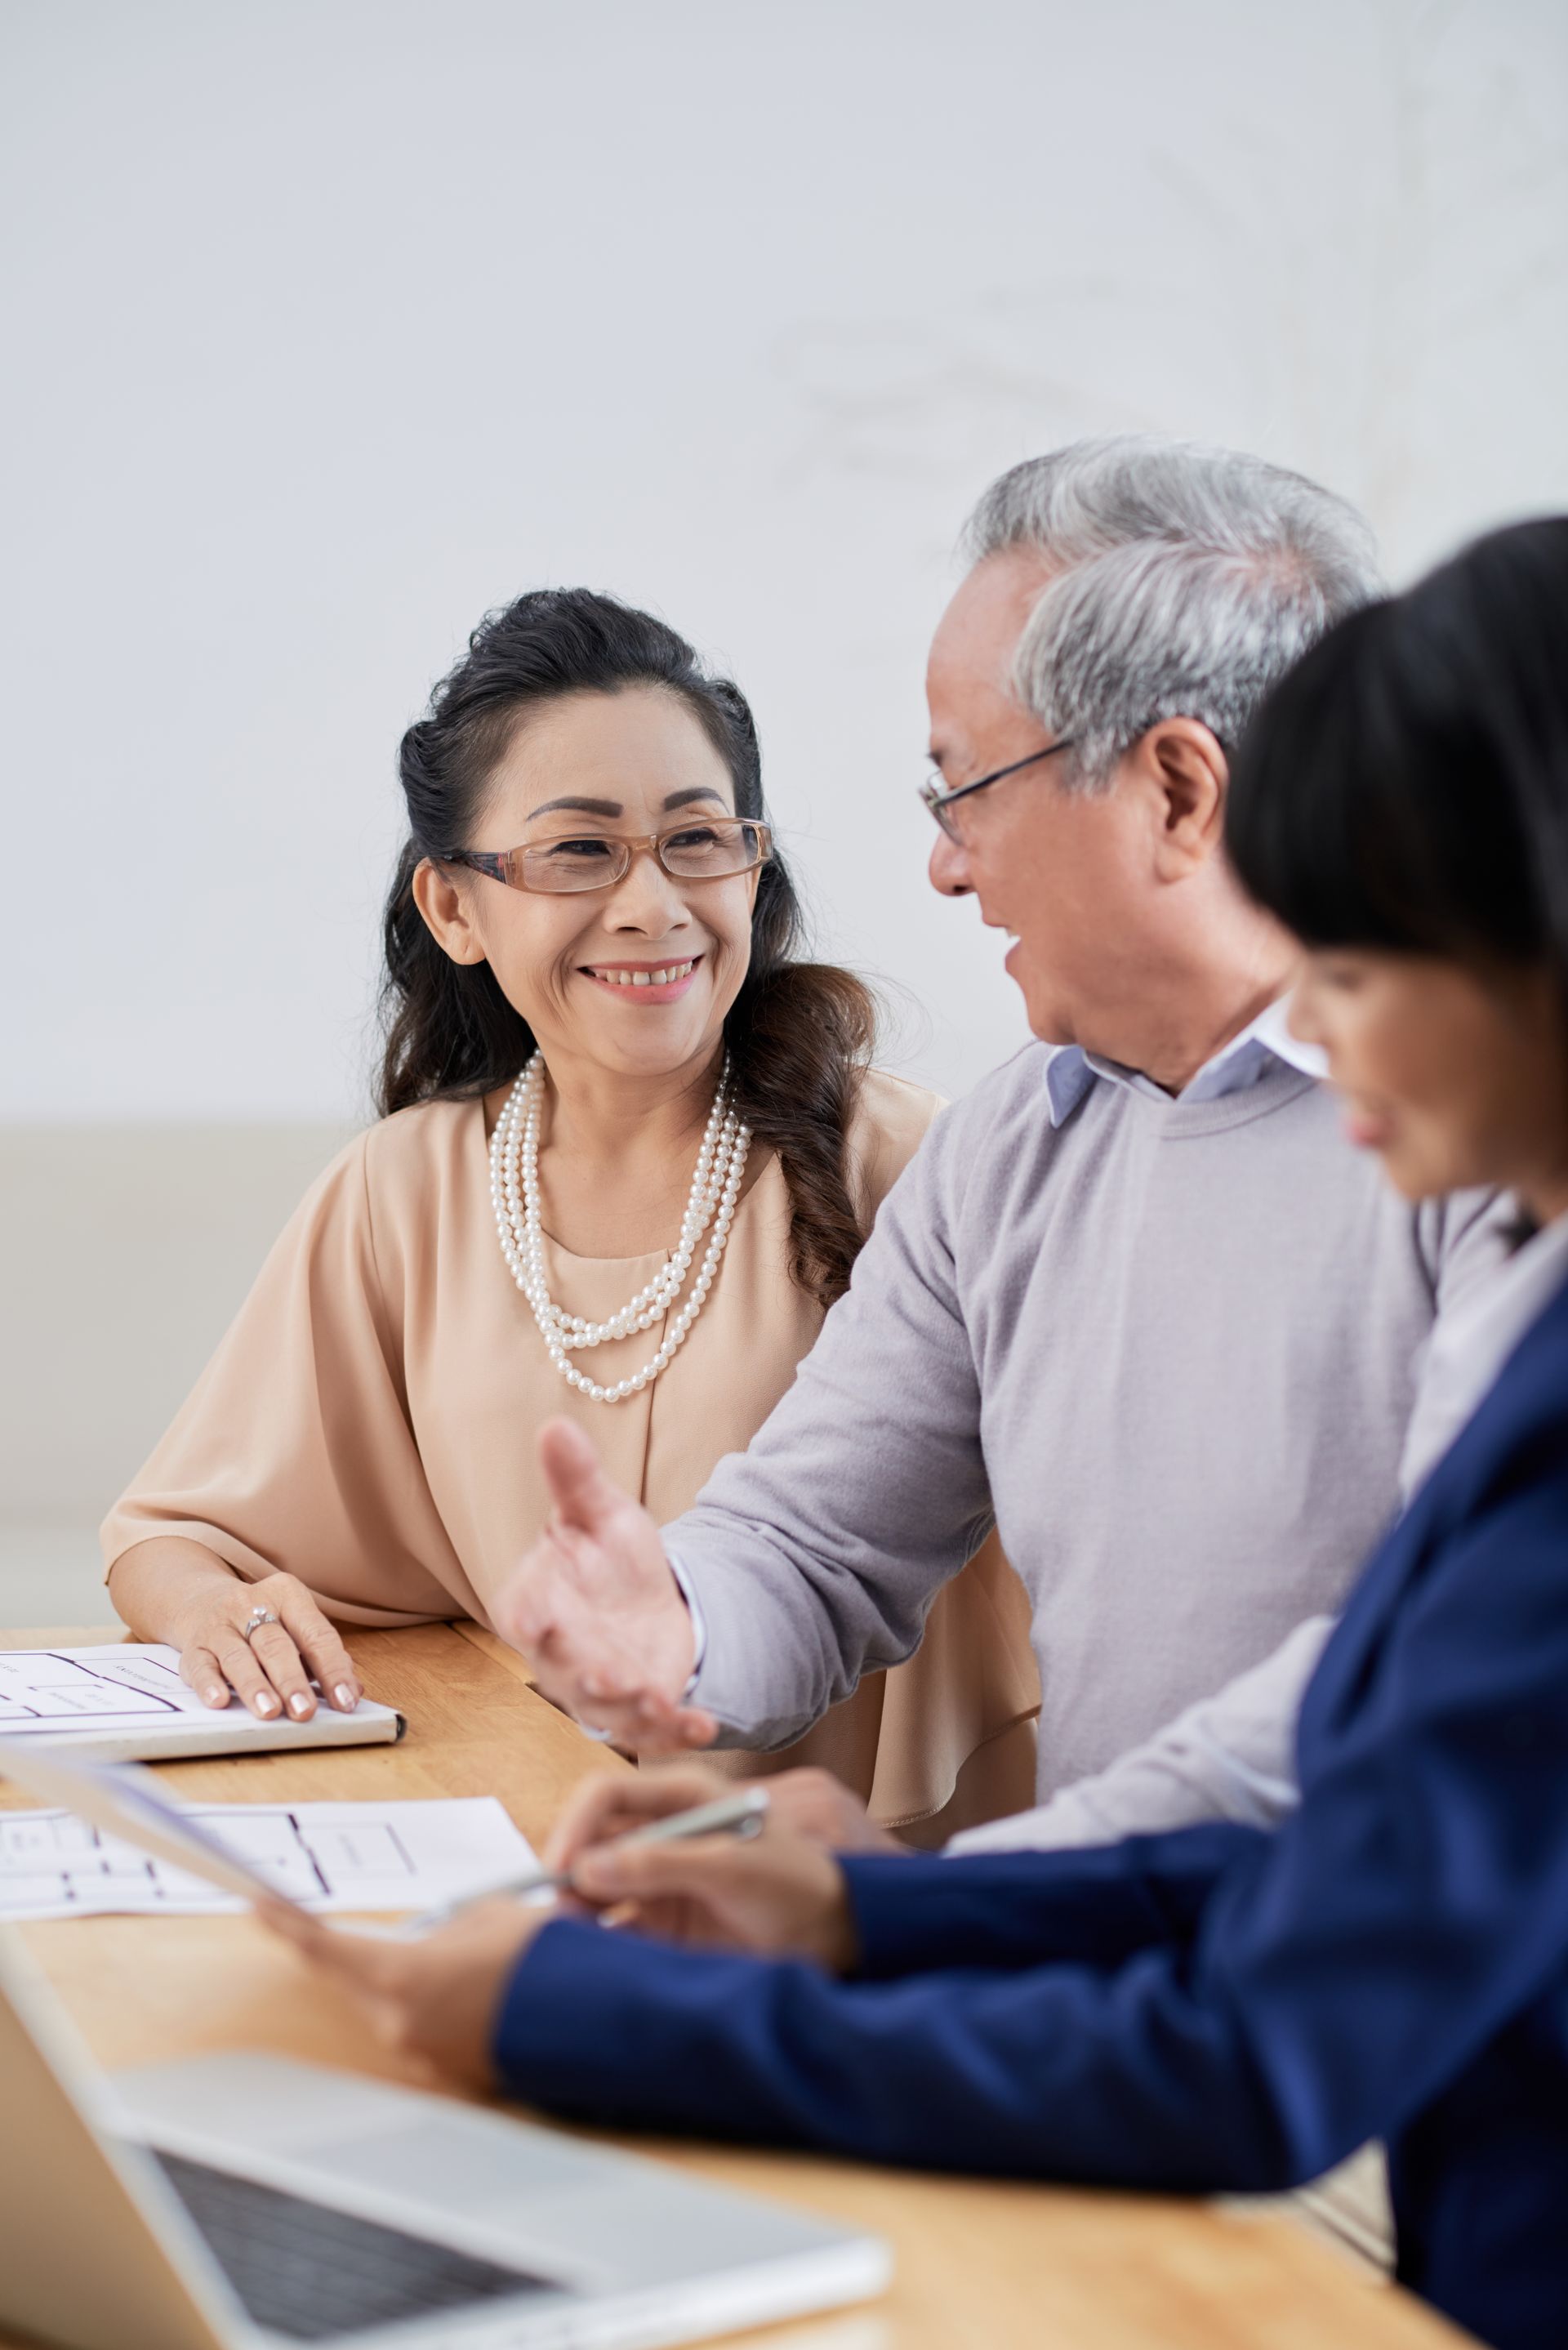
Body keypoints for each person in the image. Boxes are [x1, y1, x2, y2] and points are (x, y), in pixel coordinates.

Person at [271, 515, 1568, 2350]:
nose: (1327, 1056)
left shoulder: (1494, 1249)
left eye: (1353, 964)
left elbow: (1274, 2011)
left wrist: (606, 2009)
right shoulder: (1042, 1148)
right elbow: (1348, 1789)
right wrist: (865, 1909)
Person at [488, 438, 1501, 1825]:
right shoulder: (1010, 1146)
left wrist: (941, 1913)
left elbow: (1429, 1677)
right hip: (1090, 1977)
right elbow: (815, 1535)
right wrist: (670, 1620)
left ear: (1179, 792)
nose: (945, 864)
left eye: (965, 788)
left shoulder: (1490, 1137)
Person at [101, 590, 1038, 1839]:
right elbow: (169, 1535)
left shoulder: (907, 1161)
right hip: (509, 1869)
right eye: (581, 850)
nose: (653, 902)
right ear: (455, 908)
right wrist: (220, 1615)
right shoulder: (405, 1191)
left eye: (699, 839)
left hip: (851, 1909)